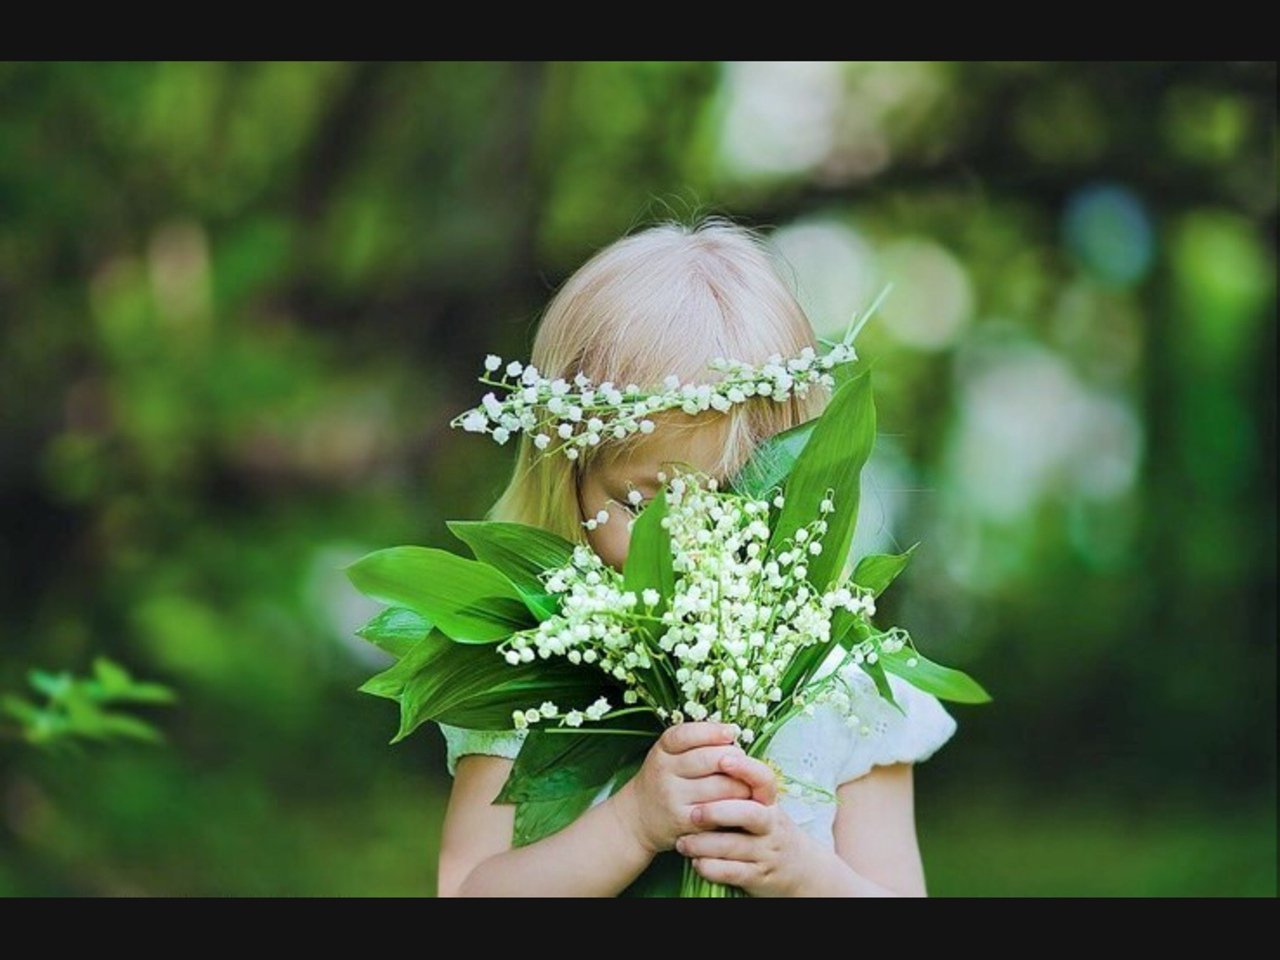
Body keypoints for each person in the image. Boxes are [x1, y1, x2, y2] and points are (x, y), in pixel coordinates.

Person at [435, 218, 957, 897]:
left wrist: (801, 874)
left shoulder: (841, 689)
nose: (681, 551)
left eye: (727, 501)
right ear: (566, 478)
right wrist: (631, 826)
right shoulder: (531, 684)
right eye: (639, 505)